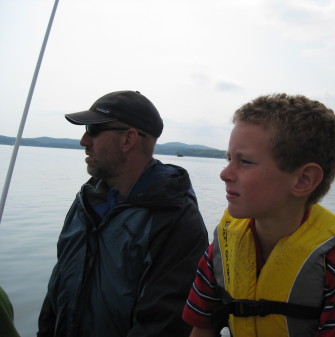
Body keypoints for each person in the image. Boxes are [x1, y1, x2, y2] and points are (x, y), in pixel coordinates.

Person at [182, 93, 335, 337]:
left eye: (245, 162)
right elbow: (201, 330)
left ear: (303, 180)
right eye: (229, 159)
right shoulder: (222, 249)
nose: (225, 174)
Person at [37, 90, 208, 337]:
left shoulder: (176, 219)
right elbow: (56, 293)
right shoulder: (84, 203)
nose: (84, 140)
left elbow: (162, 326)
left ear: (128, 139)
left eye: (93, 130)